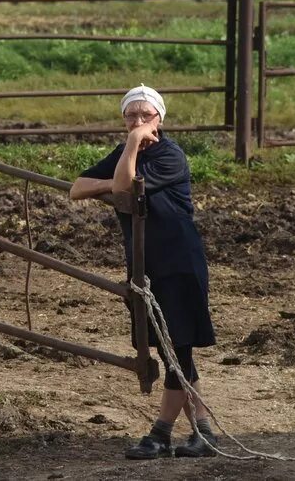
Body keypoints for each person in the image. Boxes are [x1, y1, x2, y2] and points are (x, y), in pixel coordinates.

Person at [69, 84, 218, 460]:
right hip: (145, 268)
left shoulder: (171, 155)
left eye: (145, 116)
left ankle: (161, 434)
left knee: (177, 349)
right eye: (131, 117)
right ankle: (203, 431)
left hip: (178, 263)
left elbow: (124, 191)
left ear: (160, 119)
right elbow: (77, 187)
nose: (137, 122)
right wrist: (117, 168)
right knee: (173, 351)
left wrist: (133, 146)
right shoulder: (123, 154)